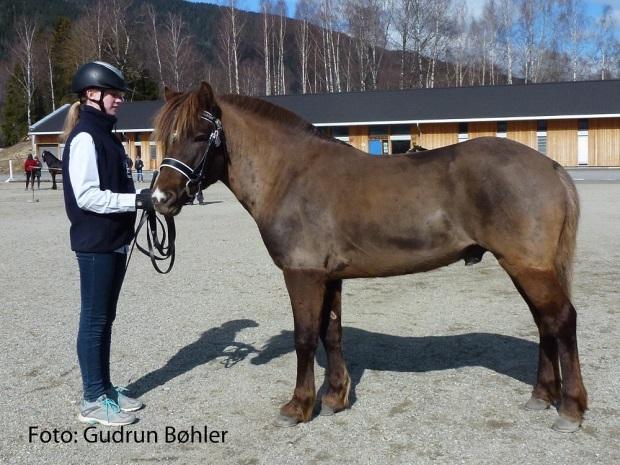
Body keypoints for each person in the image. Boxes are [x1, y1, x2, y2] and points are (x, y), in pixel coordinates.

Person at [61, 61, 154, 427]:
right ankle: (91, 400)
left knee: (105, 319)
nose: (119, 100)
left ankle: (104, 388)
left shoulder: (107, 136)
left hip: (113, 240)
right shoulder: (85, 136)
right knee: (95, 319)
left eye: (119, 94)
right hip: (96, 242)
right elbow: (87, 196)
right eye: (114, 94)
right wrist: (135, 201)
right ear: (92, 94)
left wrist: (139, 198)